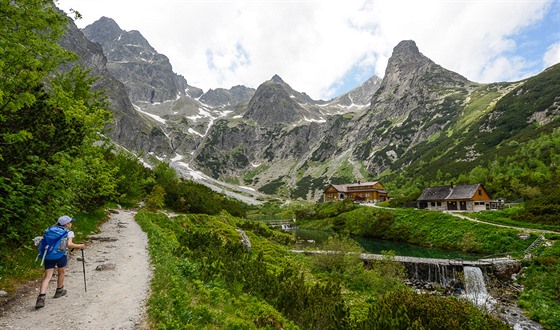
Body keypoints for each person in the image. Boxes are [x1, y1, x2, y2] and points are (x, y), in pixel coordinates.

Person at [35, 215, 86, 309]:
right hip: (60, 255)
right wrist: (80, 246)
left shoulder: (50, 230)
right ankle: (59, 290)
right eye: (70, 223)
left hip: (48, 255)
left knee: (47, 276)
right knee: (61, 272)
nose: (71, 224)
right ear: (66, 224)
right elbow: (69, 244)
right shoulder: (69, 232)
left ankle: (41, 297)